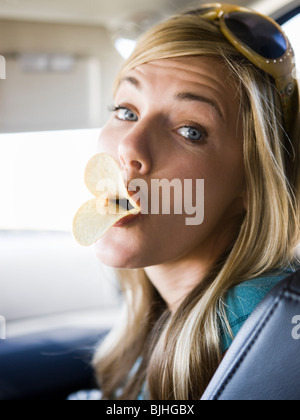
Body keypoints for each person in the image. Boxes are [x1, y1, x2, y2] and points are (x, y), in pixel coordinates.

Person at [88, 4, 300, 400]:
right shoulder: (168, 307)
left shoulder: (261, 326)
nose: (130, 147)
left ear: (252, 186)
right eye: (126, 110)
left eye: (190, 131)